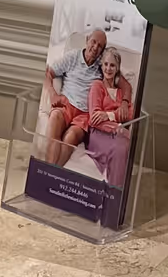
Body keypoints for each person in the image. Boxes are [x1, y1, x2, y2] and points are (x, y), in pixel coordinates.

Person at [42, 26, 107, 165]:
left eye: (100, 46)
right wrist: (53, 94)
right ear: (87, 40)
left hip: (84, 114)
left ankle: (51, 175)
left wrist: (125, 101)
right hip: (66, 104)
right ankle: (47, 173)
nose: (95, 47)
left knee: (70, 137)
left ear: (102, 51)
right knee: (54, 118)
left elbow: (123, 83)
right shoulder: (73, 56)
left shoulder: (103, 68)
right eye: (93, 42)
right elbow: (47, 73)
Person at [85, 45, 136, 195]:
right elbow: (94, 119)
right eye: (106, 64)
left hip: (118, 134)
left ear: (118, 68)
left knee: (124, 145)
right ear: (101, 66)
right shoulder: (97, 86)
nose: (108, 68)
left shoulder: (121, 93)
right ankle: (114, 194)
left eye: (112, 65)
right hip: (98, 135)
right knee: (121, 147)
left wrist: (108, 115)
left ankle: (114, 194)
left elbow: (131, 113)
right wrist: (117, 124)